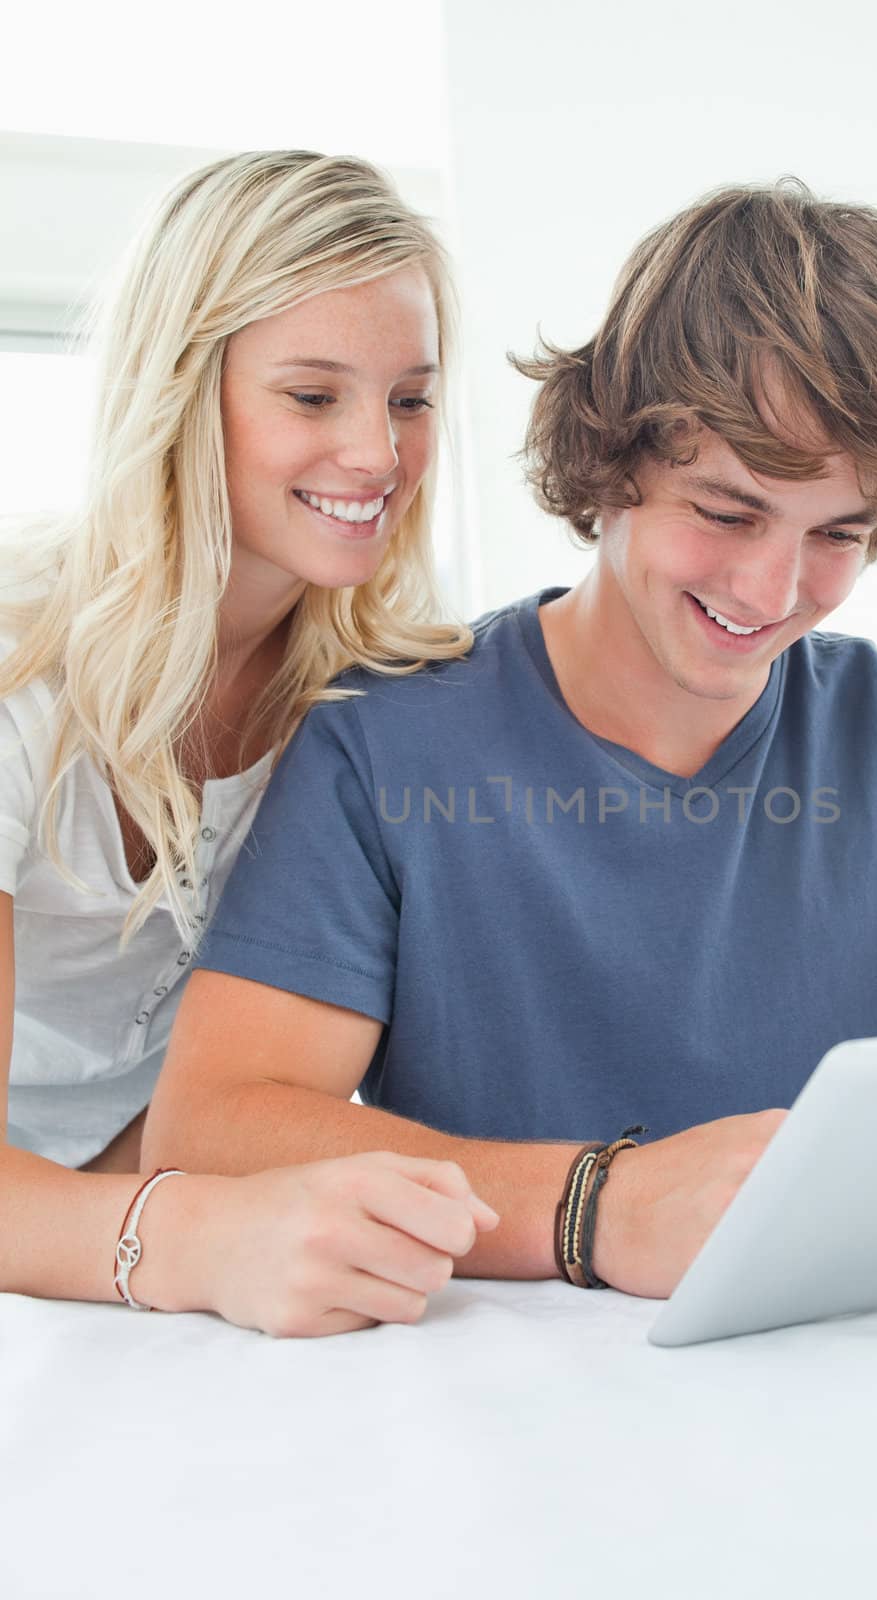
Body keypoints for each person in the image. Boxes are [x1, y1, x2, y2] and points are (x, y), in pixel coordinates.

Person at [145, 179, 877, 1304]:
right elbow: (210, 1132)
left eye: (837, 533)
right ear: (611, 460)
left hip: (867, 1391)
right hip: (512, 1412)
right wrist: (596, 1208)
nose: (772, 588)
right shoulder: (383, 746)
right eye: (727, 511)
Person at [0, 149, 497, 1336]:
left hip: (134, 1221)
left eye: (411, 399)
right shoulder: (21, 675)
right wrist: (195, 1238)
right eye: (314, 396)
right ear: (182, 393)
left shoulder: (383, 698)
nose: (378, 455)